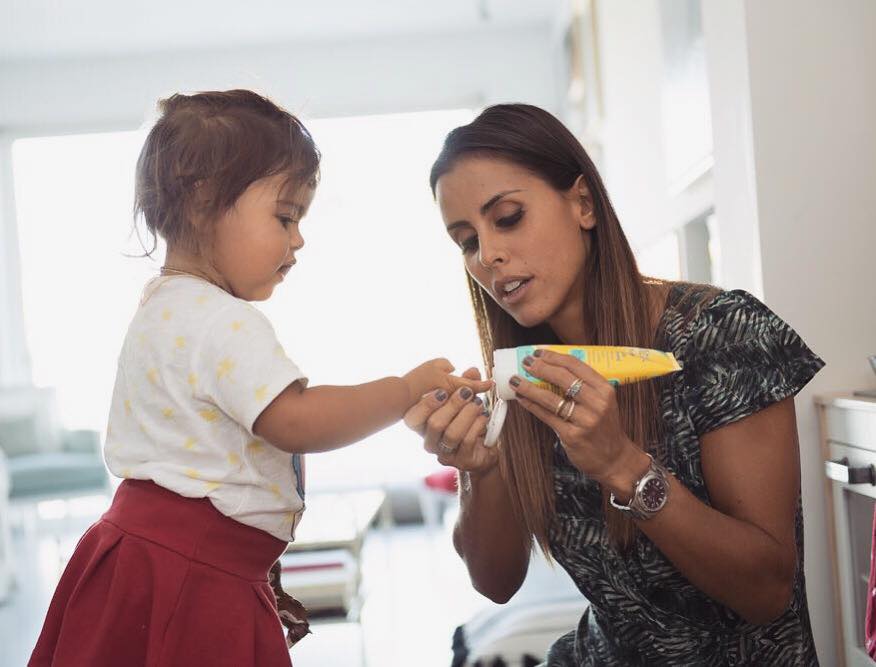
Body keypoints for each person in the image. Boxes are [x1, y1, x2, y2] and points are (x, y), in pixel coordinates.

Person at [29, 89, 489, 667]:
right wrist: (403, 389)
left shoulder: (165, 306)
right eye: (285, 216)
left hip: (149, 555)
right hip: (188, 568)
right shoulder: (222, 320)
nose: (297, 240)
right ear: (202, 202)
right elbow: (294, 420)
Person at [404, 104, 824, 665]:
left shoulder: (721, 334)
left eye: (506, 217)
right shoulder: (522, 377)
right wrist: (478, 470)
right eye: (465, 240)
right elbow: (495, 581)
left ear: (582, 203)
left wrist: (623, 467)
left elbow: (767, 591)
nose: (489, 254)